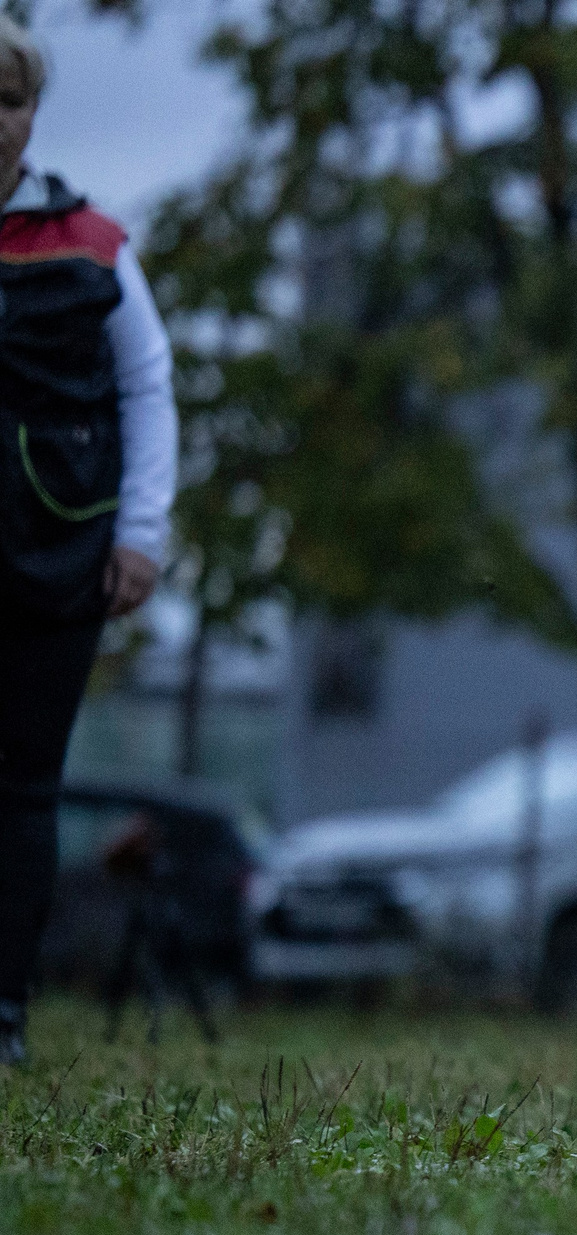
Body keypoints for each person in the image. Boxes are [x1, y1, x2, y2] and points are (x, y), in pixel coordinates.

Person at [0, 17, 177, 1067]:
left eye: (9, 102)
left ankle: (4, 1015)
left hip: (52, 558)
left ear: (31, 116)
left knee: (22, 789)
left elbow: (148, 387)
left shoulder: (93, 245)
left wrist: (140, 532)